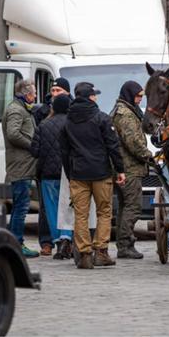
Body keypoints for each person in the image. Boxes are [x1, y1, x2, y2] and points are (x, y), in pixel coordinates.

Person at [60, 82, 126, 269]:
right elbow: (113, 146)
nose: (96, 97)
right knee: (104, 212)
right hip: (101, 172)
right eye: (94, 95)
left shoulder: (68, 121)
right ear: (90, 97)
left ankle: (85, 254)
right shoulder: (102, 118)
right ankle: (101, 251)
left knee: (80, 215)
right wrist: (120, 170)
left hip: (78, 173)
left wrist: (70, 171)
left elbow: (64, 151)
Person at [110, 81, 152, 259]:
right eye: (138, 96)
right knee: (133, 207)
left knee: (125, 207)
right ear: (129, 94)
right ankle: (126, 244)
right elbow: (133, 141)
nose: (140, 100)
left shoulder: (124, 109)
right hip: (129, 168)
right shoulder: (125, 114)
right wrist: (148, 155)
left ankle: (123, 243)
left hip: (125, 167)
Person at [30, 94, 74, 260]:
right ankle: (67, 237)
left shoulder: (44, 124)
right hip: (68, 172)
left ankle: (57, 241)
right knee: (68, 207)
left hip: (47, 173)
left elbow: (34, 150)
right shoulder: (71, 124)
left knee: (51, 208)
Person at [3, 79, 39, 258]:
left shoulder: (22, 108)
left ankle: (13, 242)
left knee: (20, 206)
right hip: (20, 167)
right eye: (33, 93)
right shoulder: (16, 110)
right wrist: (30, 145)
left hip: (23, 166)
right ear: (26, 94)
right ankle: (16, 243)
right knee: (21, 207)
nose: (35, 96)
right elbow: (13, 133)